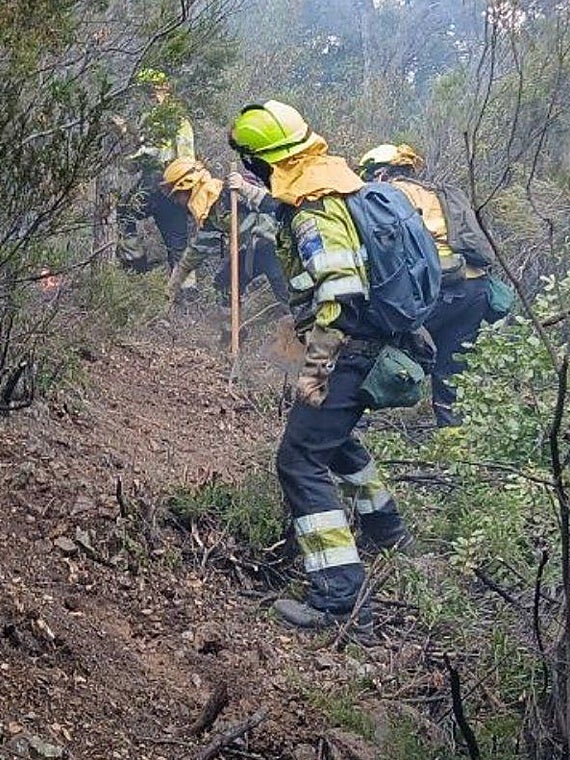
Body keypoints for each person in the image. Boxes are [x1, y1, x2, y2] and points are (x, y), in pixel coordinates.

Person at [228, 100, 413, 637]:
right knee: (335, 441)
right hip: (367, 344)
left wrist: (317, 367)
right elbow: (283, 209)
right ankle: (388, 532)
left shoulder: (314, 209)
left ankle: (339, 598)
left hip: (348, 348)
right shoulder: (329, 186)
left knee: (300, 461)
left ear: (265, 161)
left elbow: (341, 291)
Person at [358, 143, 492, 427]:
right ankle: (454, 439)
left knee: (374, 347)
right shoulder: (437, 193)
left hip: (435, 290)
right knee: (452, 372)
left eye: (368, 176)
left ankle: (357, 421)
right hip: (474, 288)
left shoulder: (386, 195)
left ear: (380, 173)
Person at [160, 157, 288, 306]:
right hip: (251, 253)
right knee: (224, 286)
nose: (177, 201)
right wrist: (171, 289)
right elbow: (192, 257)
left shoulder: (230, 192)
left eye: (177, 195)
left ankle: (297, 316)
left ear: (188, 186)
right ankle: (234, 320)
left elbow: (275, 204)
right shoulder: (209, 217)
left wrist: (245, 187)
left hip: (276, 245)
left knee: (288, 293)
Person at [117, 69, 196, 273]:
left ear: (166, 90)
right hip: (154, 183)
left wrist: (184, 190)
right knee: (125, 211)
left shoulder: (178, 120)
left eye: (154, 91)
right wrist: (126, 141)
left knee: (177, 243)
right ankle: (136, 266)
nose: (151, 97)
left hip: (170, 185)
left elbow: (186, 158)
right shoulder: (147, 120)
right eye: (148, 92)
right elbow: (135, 162)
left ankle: (184, 287)